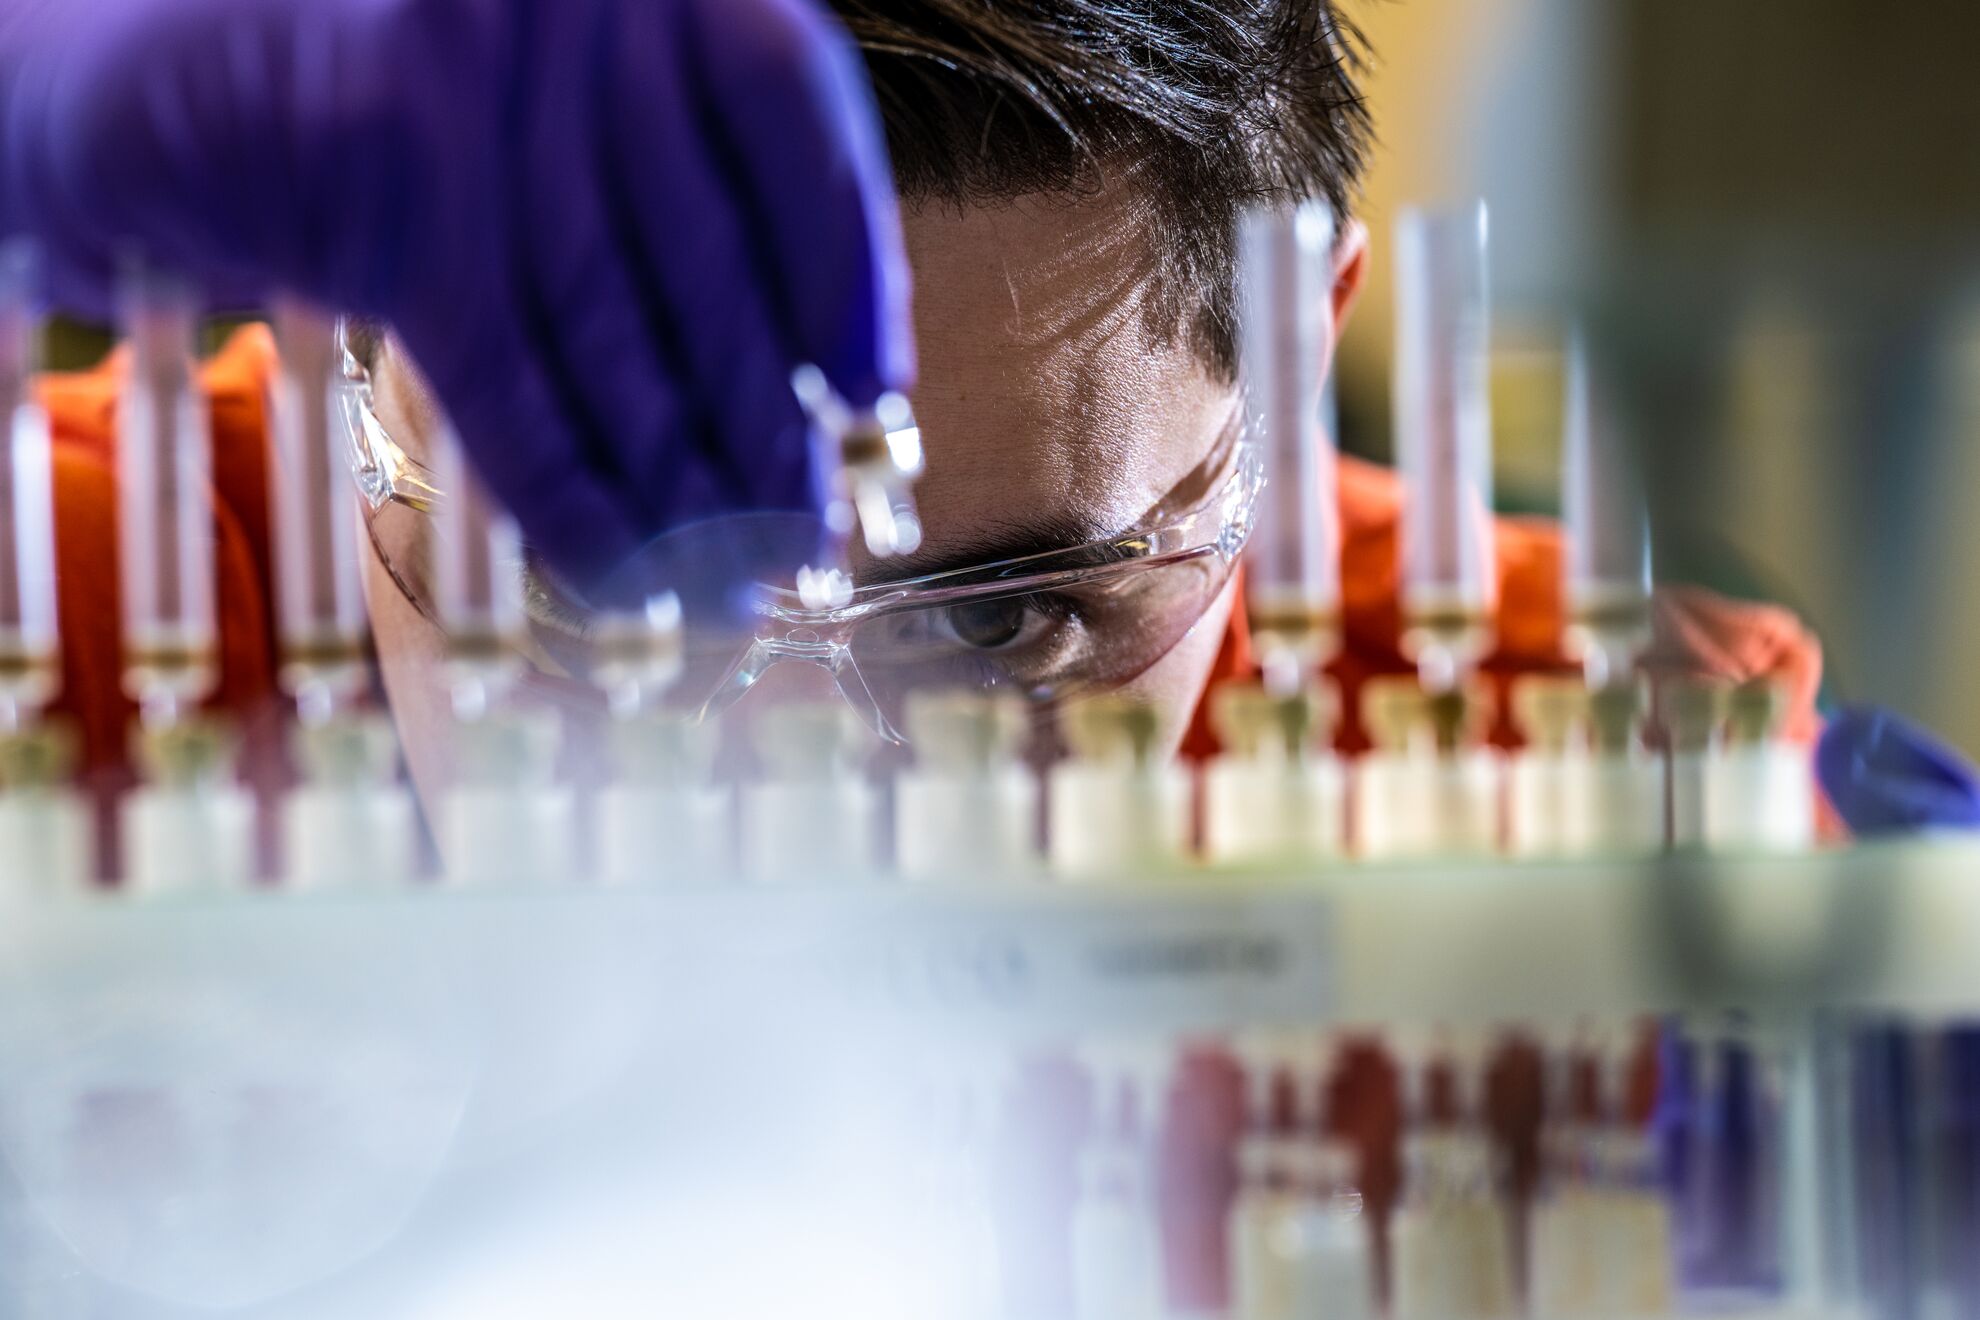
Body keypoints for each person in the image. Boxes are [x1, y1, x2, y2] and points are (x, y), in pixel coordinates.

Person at [2, 0, 1828, 804]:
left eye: (1016, 621)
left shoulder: (1608, 783)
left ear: (1279, 384)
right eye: (591, 599)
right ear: (338, 325)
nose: (779, 801)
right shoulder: (54, 625)